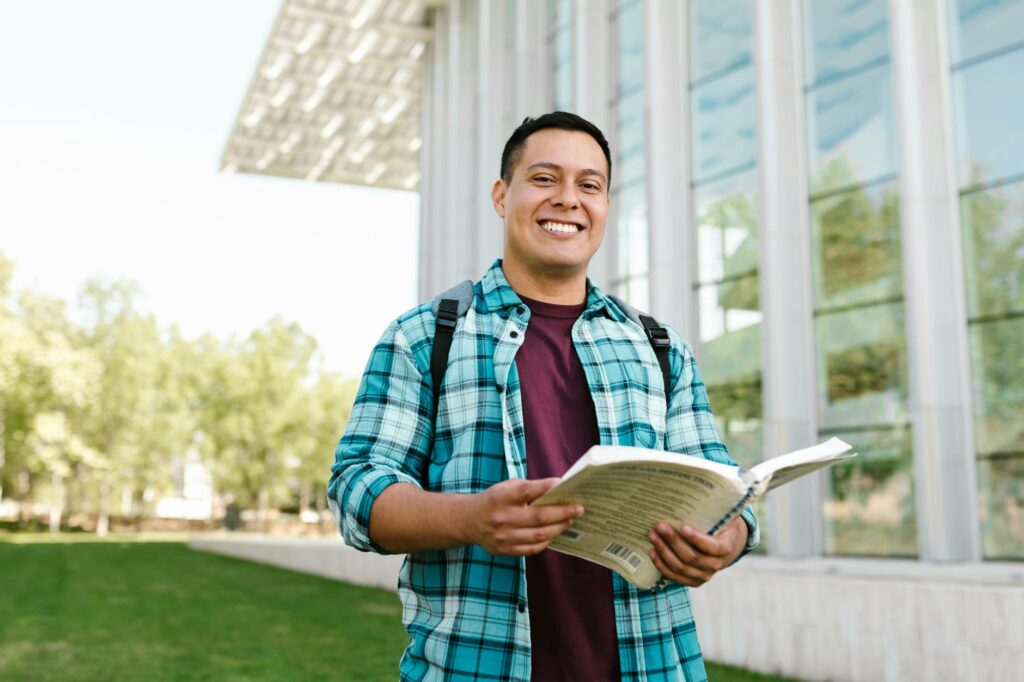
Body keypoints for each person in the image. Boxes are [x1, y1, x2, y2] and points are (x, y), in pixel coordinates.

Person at [328, 112, 758, 682]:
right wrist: (470, 518)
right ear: (502, 197)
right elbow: (357, 490)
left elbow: (726, 488)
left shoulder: (661, 348)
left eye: (589, 185)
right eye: (544, 178)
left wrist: (726, 538)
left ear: (605, 207)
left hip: (656, 666)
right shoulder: (424, 337)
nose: (568, 200)